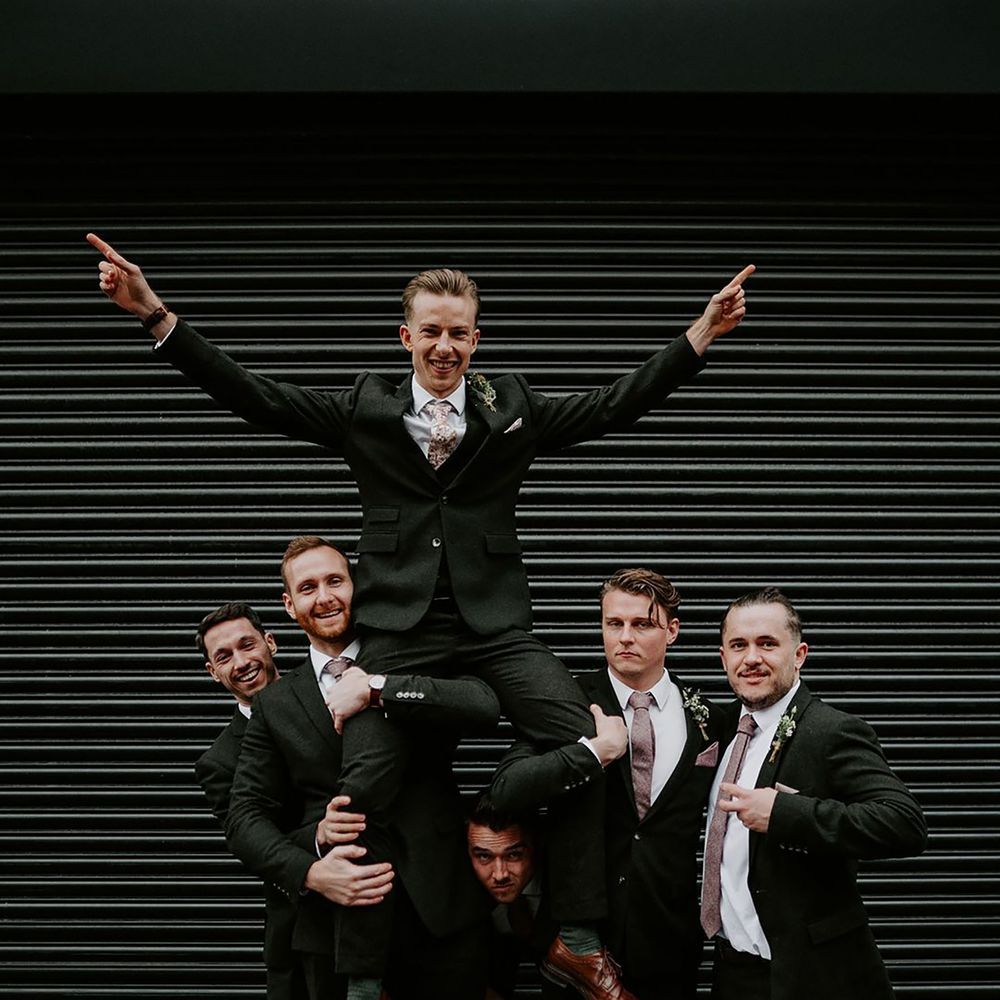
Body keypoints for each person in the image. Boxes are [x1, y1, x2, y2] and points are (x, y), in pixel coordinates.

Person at [87, 231, 754, 1000]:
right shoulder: (364, 408)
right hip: (399, 633)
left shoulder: (512, 406)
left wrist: (698, 337)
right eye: (431, 331)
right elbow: (256, 396)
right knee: (367, 777)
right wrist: (156, 316)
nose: (445, 346)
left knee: (587, 736)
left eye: (459, 332)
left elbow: (610, 406)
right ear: (406, 337)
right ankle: (364, 975)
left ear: (478, 338)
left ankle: (574, 938)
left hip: (497, 627)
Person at [223, 535, 501, 1000]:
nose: (326, 596)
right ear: (289, 605)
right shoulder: (275, 705)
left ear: (359, 588)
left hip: (441, 912)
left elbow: (483, 703)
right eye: (308, 588)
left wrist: (377, 687)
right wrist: (311, 870)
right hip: (333, 926)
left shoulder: (415, 656)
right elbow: (244, 818)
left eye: (336, 581)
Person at [491, 568, 728, 998]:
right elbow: (506, 790)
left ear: (672, 631)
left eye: (642, 624)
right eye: (613, 623)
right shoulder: (566, 702)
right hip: (579, 953)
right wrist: (592, 752)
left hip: (669, 945)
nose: (625, 637)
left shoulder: (710, 719)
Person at [703, 587, 928, 1000]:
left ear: (799, 654)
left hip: (816, 979)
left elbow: (903, 821)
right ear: (723, 659)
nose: (751, 658)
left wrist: (785, 813)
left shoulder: (832, 730)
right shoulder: (721, 732)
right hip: (734, 976)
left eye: (767, 644)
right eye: (739, 645)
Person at [194, 601, 304, 1000]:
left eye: (247, 645)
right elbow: (257, 848)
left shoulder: (331, 696)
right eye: (224, 656)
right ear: (213, 672)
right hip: (299, 933)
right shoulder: (218, 762)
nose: (241, 662)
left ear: (270, 643)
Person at [465, 791, 564, 1000]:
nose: (500, 874)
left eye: (513, 855)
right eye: (484, 856)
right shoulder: (462, 894)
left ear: (536, 846)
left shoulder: (566, 887)